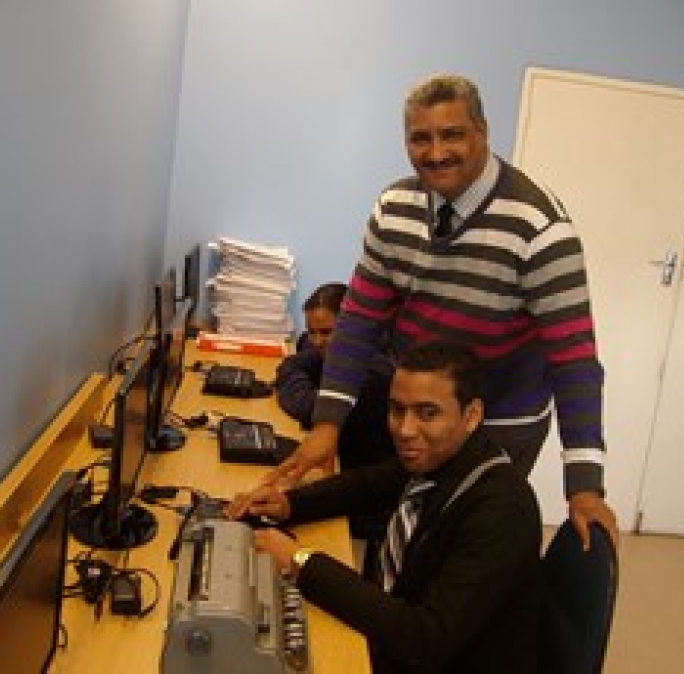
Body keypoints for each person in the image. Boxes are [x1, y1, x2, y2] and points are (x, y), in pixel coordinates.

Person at [263, 72, 617, 547]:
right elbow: (358, 324)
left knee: (460, 547)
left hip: (499, 424)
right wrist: (327, 427)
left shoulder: (540, 228)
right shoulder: (394, 209)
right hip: (420, 407)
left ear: (483, 131)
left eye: (452, 134)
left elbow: (574, 363)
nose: (436, 152)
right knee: (406, 534)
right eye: (420, 138)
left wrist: (585, 486)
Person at [229, 340, 542, 673]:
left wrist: (301, 561)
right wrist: (288, 504)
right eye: (396, 409)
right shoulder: (442, 458)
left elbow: (423, 639)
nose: (405, 430)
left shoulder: (502, 511)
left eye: (427, 413)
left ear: (472, 415)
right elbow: (368, 484)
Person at [276, 282, 396, 471]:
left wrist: (293, 384)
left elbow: (311, 408)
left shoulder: (378, 373)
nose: (317, 341)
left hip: (363, 479)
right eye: (311, 332)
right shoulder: (323, 349)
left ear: (352, 331)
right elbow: (291, 364)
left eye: (326, 332)